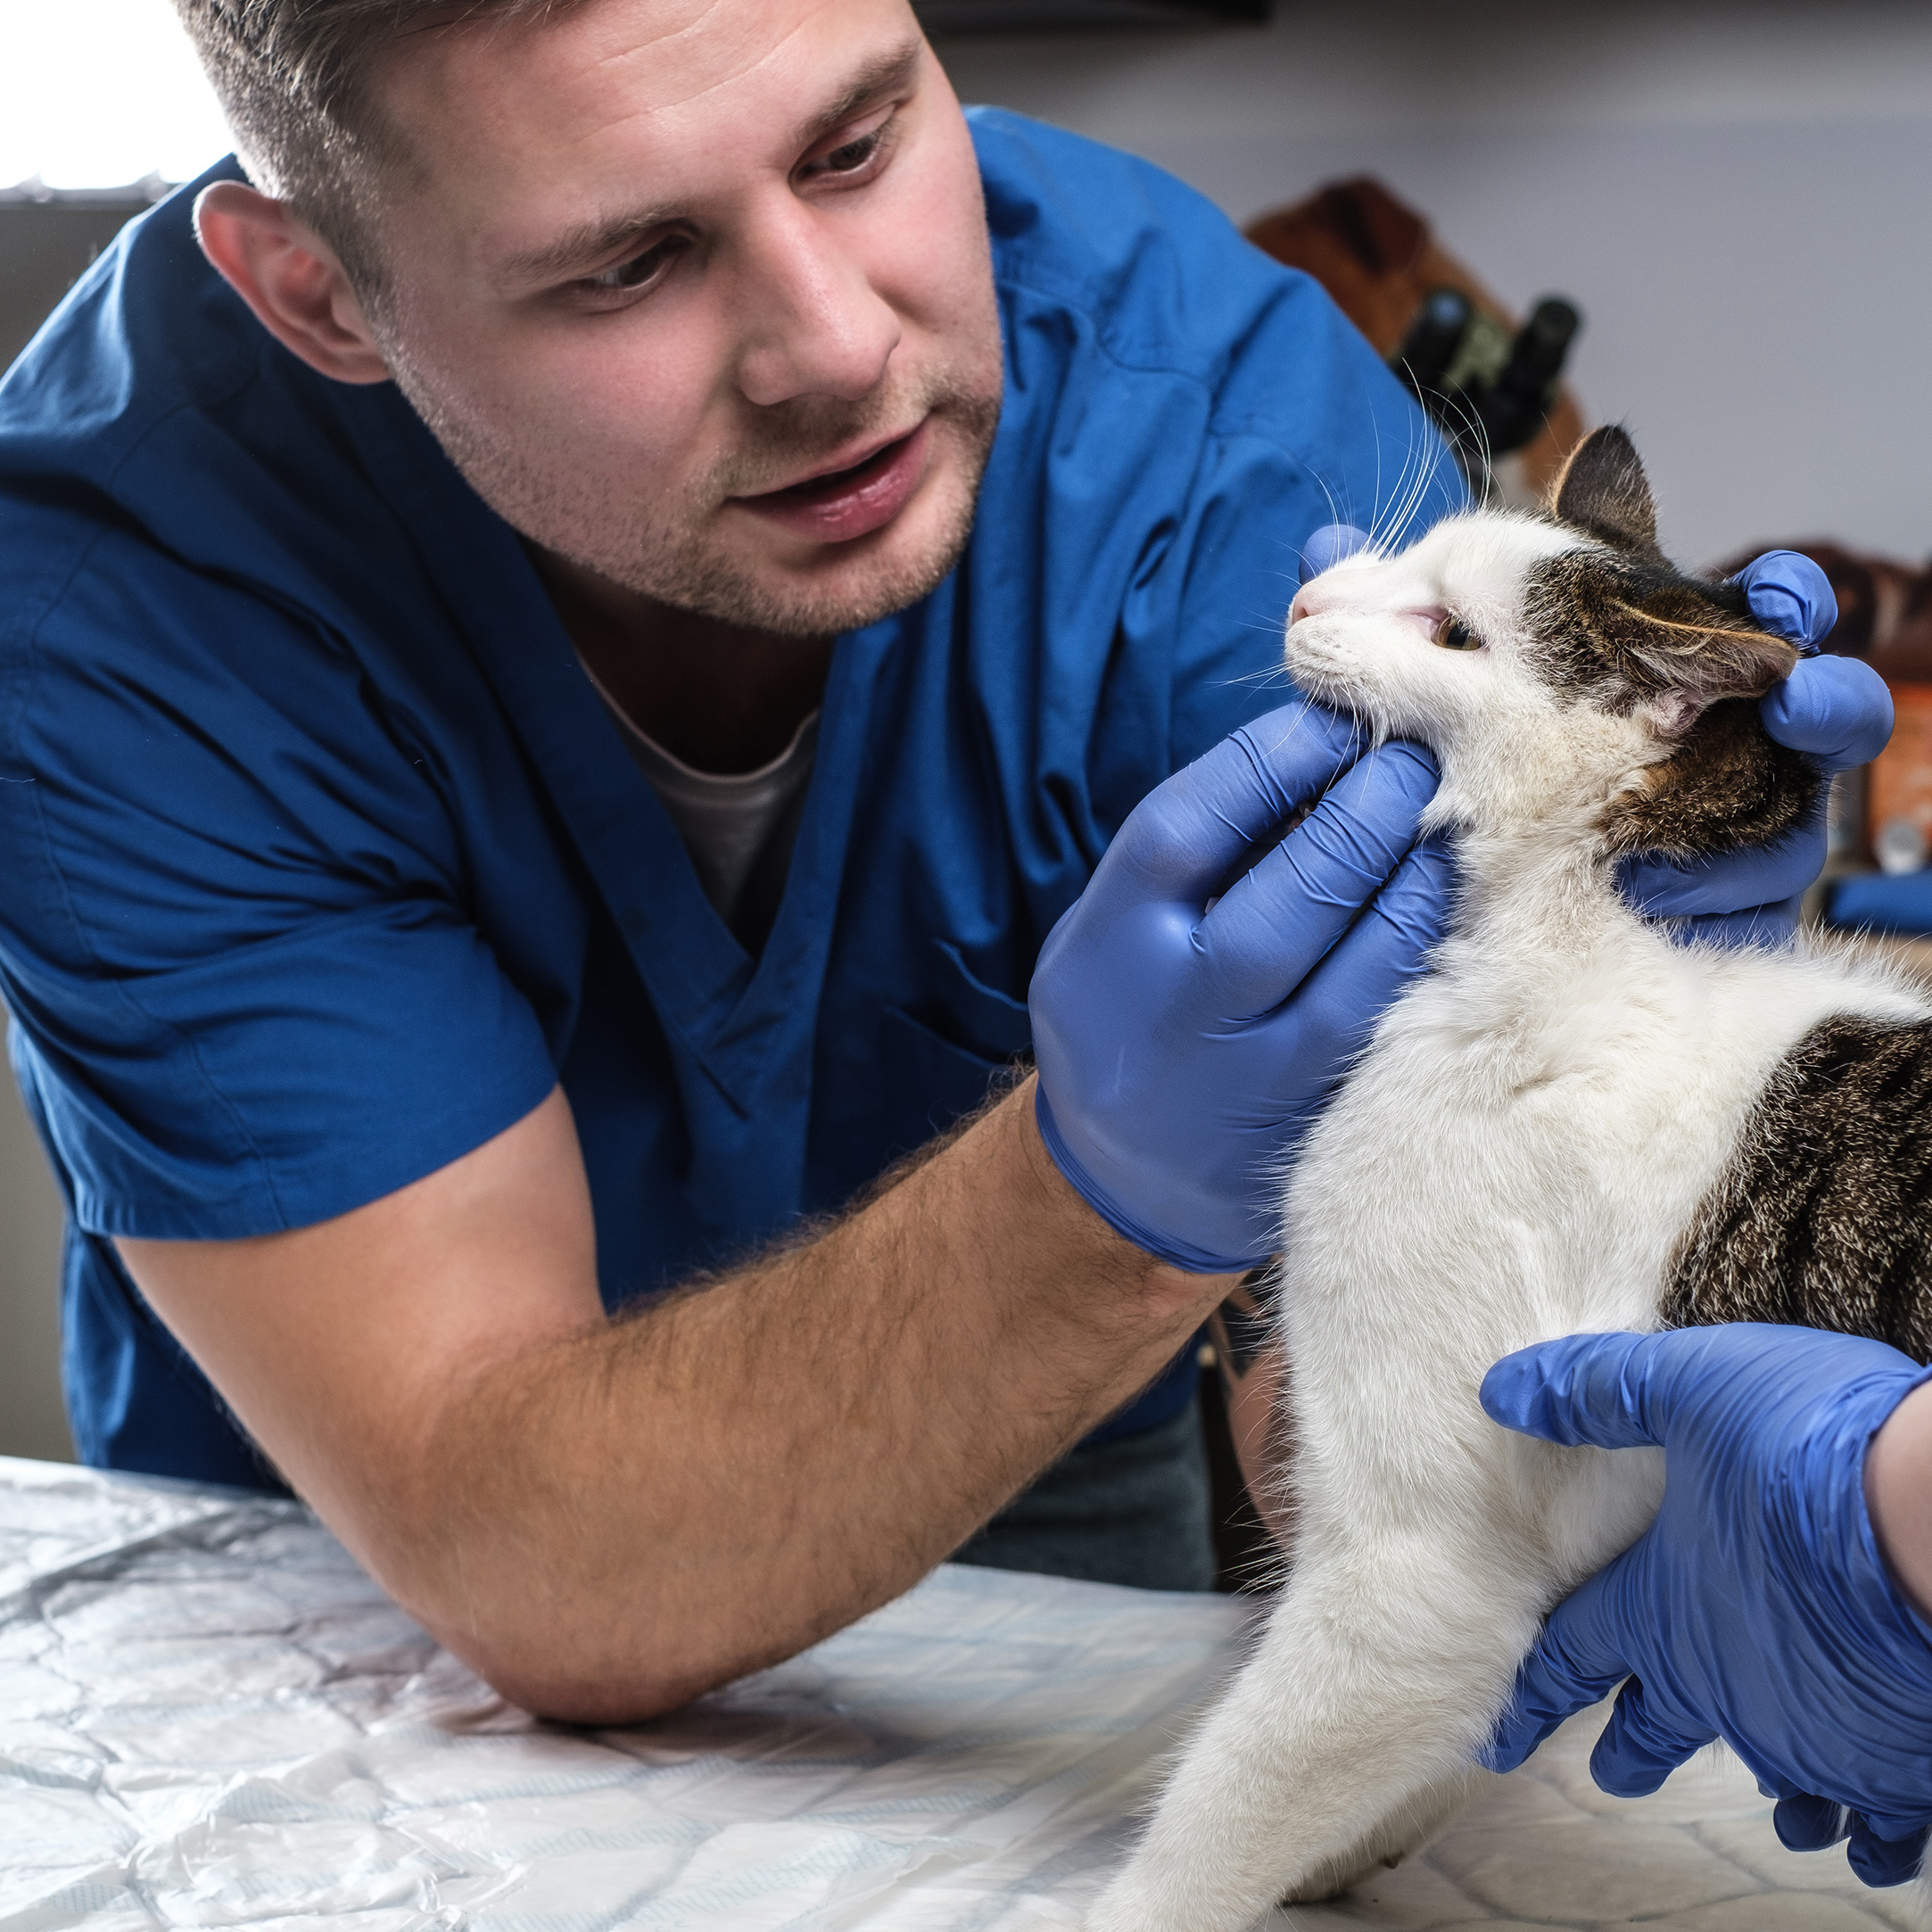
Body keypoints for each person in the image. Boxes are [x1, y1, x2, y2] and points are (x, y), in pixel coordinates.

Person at [0, 0, 1903, 1831]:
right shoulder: (121, 597)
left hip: (1047, 1530)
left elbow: (1368, 1454)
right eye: (628, 264)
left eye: (857, 141)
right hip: (352, 1675)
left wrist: (1608, 1146)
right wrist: (1099, 1190)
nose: (833, 346)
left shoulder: (1204, 426)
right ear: (322, 291)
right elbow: (523, 1558)